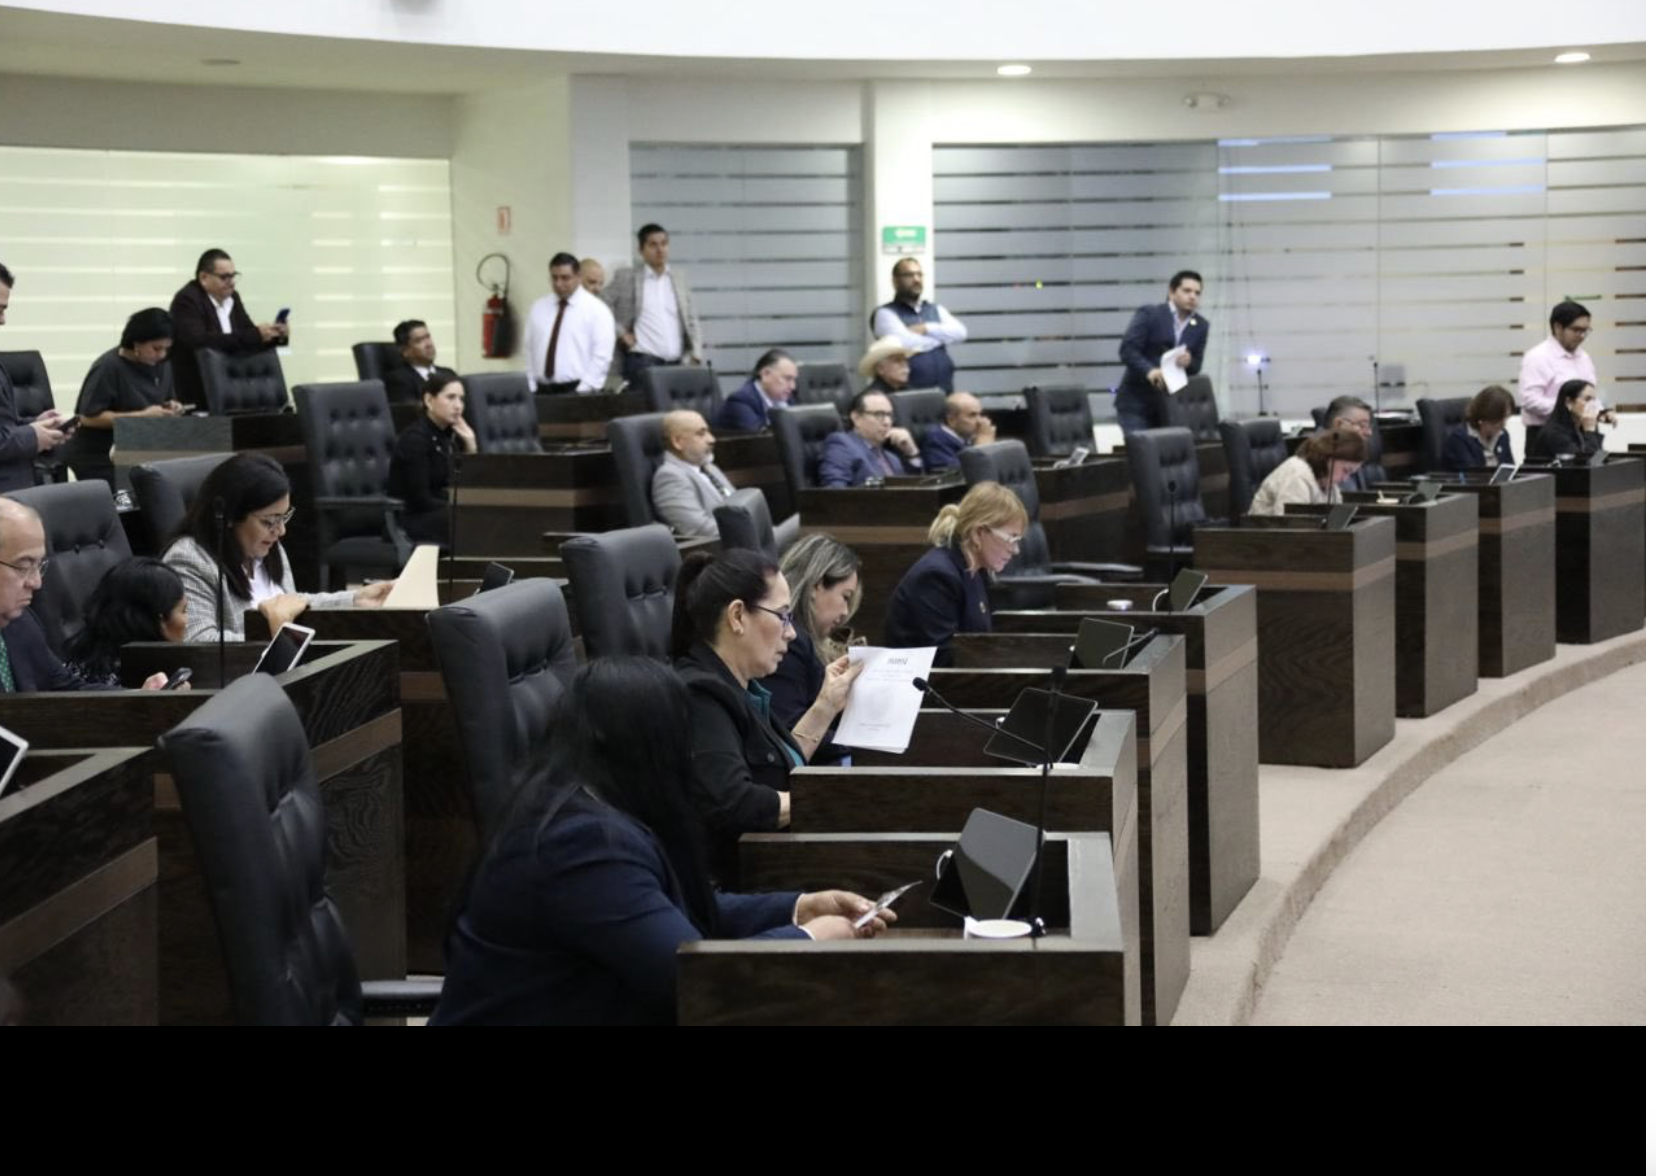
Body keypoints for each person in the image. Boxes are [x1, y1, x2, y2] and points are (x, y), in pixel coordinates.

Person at [431, 657, 891, 1026]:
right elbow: (689, 975)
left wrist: (799, 907)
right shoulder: (582, 844)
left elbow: (668, 911)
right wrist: (807, 938)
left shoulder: (581, 806)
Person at [672, 549, 861, 877]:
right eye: (782, 616)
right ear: (737, 616)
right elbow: (736, 803)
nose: (791, 632)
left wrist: (826, 705)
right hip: (746, 876)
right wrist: (832, 800)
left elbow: (777, 769)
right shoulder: (700, 695)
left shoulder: (743, 687)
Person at [162, 452, 392, 643]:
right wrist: (278, 633)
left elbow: (292, 602)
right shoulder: (189, 559)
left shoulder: (268, 547)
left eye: (283, 517)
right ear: (229, 517)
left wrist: (354, 600)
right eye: (269, 521)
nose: (280, 531)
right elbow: (197, 640)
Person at [0, 499, 167, 692]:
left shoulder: (22, 622)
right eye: (23, 566)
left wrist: (139, 696)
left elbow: (64, 687)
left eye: (39, 565)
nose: (36, 583)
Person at [885, 482, 1027, 666]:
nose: (1016, 550)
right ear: (978, 533)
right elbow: (944, 661)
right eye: (1011, 538)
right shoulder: (937, 576)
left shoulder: (977, 570)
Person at [760, 533, 862, 755]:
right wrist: (861, 742)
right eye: (845, 597)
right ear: (816, 586)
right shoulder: (789, 644)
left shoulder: (801, 640)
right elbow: (791, 731)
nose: (846, 612)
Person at [62, 307, 184, 486]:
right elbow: (88, 418)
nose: (162, 355)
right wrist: (141, 416)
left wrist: (171, 406)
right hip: (101, 455)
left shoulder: (161, 363)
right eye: (156, 348)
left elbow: (163, 398)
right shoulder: (108, 367)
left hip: (140, 450)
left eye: (166, 349)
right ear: (136, 343)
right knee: (131, 498)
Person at [167, 248, 287, 408]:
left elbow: (247, 336)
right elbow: (200, 340)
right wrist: (255, 335)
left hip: (234, 386)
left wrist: (275, 336)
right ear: (204, 277)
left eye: (233, 276)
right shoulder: (187, 299)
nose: (231, 282)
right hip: (199, 389)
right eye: (224, 277)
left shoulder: (233, 297)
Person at [62, 557, 188, 687]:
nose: (187, 621)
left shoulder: (85, 663)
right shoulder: (128, 684)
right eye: (184, 610)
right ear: (160, 620)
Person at [606, 223, 705, 387]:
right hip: (642, 362)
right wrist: (621, 333)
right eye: (653, 245)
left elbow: (691, 318)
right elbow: (600, 306)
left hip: (678, 363)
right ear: (641, 250)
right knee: (644, 404)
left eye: (664, 244)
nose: (660, 249)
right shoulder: (626, 277)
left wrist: (696, 352)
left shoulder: (679, 279)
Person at [0, 263, 69, 493]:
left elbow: (5, 427)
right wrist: (32, 436)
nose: (3, 320)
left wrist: (36, 424)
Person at [1116, 270, 1209, 436]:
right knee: (1142, 448)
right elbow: (1128, 350)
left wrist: (1189, 362)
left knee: (1166, 450)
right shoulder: (1150, 314)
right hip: (1137, 403)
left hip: (1171, 405)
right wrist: (1150, 371)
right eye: (1187, 291)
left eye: (1197, 293)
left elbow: (1196, 366)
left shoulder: (1201, 325)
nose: (1192, 296)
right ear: (1172, 291)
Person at [389, 374, 478, 545]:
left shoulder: (452, 435)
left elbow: (466, 485)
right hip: (411, 519)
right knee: (472, 518)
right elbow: (421, 499)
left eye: (461, 399)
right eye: (451, 398)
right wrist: (461, 505)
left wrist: (471, 445)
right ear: (429, 400)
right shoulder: (415, 439)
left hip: (442, 512)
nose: (458, 406)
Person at [870, 258, 967, 392]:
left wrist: (926, 328)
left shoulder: (935, 309)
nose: (916, 279)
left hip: (944, 388)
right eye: (909, 275)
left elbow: (961, 333)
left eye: (919, 274)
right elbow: (904, 343)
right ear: (895, 281)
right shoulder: (885, 313)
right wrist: (940, 338)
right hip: (908, 392)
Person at [524, 252, 615, 394]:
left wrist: (584, 389)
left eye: (565, 278)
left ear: (578, 277)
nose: (559, 284)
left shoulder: (597, 310)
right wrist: (531, 385)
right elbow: (529, 349)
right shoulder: (538, 307)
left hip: (577, 390)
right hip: (541, 390)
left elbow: (602, 356)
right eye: (554, 278)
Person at [1519, 300, 1605, 447]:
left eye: (1586, 330)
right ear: (1558, 327)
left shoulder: (1584, 357)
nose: (1582, 335)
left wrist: (1601, 412)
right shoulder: (1538, 357)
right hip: (1546, 434)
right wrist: (1567, 409)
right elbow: (1529, 400)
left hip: (1581, 432)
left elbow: (1589, 396)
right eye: (1576, 330)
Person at [651, 410, 735, 539]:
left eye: (708, 432)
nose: (711, 439)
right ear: (677, 442)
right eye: (701, 434)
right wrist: (748, 530)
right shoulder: (670, 477)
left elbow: (739, 503)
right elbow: (698, 529)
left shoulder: (709, 467)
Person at [1249, 430, 1368, 516]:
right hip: (1263, 540)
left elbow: (1336, 520)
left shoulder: (1326, 478)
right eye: (1346, 471)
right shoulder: (1298, 475)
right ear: (1329, 458)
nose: (1346, 479)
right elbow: (1289, 526)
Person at [817, 390, 922, 487]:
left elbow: (916, 489)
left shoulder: (892, 458)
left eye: (889, 415)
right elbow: (835, 491)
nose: (887, 422)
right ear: (856, 418)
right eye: (879, 414)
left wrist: (912, 453)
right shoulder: (841, 444)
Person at [714, 348, 796, 431]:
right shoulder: (740, 402)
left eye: (794, 379)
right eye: (787, 378)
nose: (793, 386)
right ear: (765, 374)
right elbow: (761, 436)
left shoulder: (789, 399)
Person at [1528, 378, 1606, 463]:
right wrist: (1590, 431)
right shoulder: (1555, 433)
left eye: (1594, 400)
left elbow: (1599, 460)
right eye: (1587, 399)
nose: (1593, 405)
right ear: (1568, 402)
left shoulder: (1581, 427)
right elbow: (1585, 464)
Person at [381, 320, 457, 406]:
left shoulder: (448, 373)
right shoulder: (397, 380)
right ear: (405, 350)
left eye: (428, 337)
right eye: (419, 341)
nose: (429, 344)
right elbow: (413, 410)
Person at [1443, 385, 1517, 472]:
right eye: (1499, 419)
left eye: (1506, 418)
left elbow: (1509, 469)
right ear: (1486, 415)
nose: (1503, 424)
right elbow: (1470, 474)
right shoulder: (1459, 439)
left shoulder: (1502, 435)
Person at [921, 391, 997, 471]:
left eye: (980, 414)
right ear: (952, 420)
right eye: (972, 415)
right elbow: (959, 475)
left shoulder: (965, 436)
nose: (980, 421)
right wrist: (982, 446)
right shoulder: (936, 441)